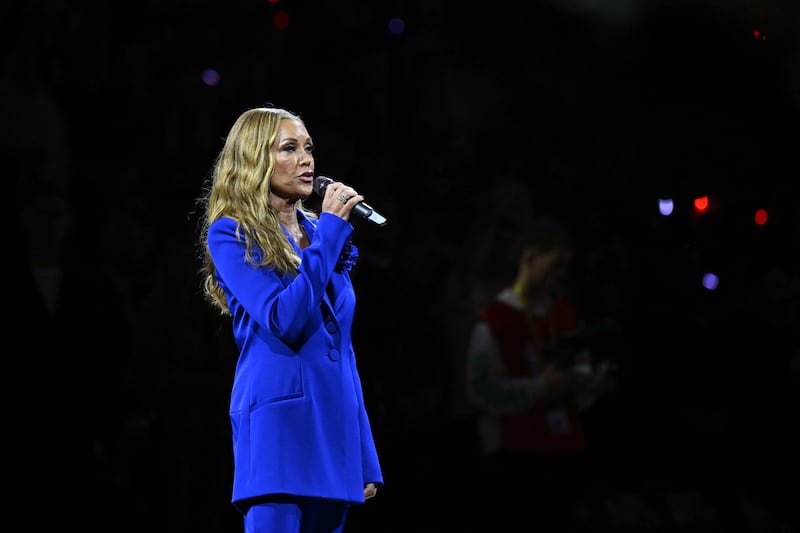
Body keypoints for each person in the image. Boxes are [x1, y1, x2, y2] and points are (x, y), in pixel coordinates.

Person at [196, 106, 383, 533]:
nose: (307, 160)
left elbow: (342, 349)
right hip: (278, 429)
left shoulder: (320, 234)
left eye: (309, 148)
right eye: (289, 148)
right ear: (256, 159)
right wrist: (332, 233)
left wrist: (363, 450)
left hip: (332, 429)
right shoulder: (232, 233)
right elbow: (285, 318)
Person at [465, 216, 614, 530]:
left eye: (565, 267)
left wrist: (589, 383)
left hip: (565, 451)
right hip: (518, 457)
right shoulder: (494, 320)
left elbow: (580, 370)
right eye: (555, 264)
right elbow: (480, 391)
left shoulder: (565, 314)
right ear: (530, 259)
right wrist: (540, 387)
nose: (561, 275)